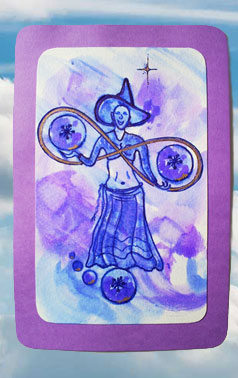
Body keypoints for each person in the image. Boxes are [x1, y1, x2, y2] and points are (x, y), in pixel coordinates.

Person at [62, 78, 167, 272]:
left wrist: (158, 183)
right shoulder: (105, 139)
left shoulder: (136, 141)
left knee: (134, 229)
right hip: (112, 192)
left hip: (133, 193)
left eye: (124, 114)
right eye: (118, 113)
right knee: (108, 228)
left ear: (129, 118)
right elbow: (90, 161)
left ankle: (134, 261)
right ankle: (106, 260)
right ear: (112, 116)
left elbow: (146, 169)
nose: (121, 117)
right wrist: (75, 154)